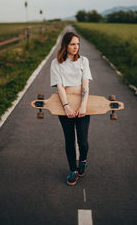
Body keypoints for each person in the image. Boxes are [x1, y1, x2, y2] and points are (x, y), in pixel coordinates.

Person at [50, 31, 92, 186]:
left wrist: (83, 105)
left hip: (83, 105)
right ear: (65, 45)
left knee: (83, 141)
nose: (76, 47)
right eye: (73, 44)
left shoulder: (83, 61)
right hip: (64, 106)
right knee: (69, 140)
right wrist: (66, 107)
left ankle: (83, 161)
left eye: (78, 44)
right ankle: (73, 171)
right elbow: (60, 87)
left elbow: (85, 85)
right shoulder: (56, 63)